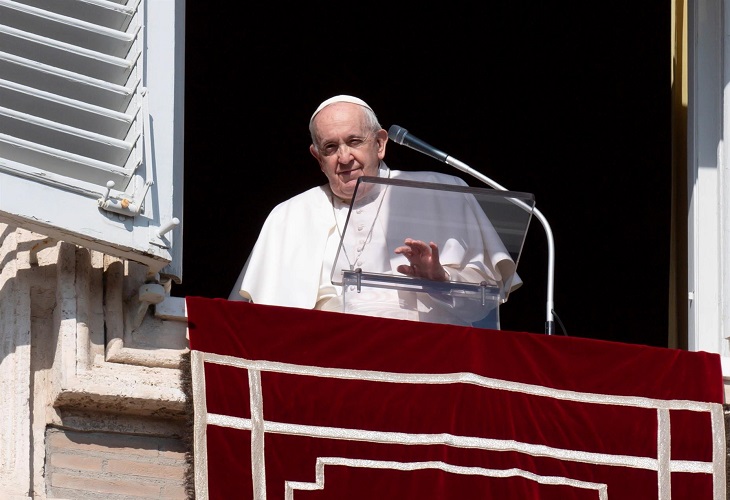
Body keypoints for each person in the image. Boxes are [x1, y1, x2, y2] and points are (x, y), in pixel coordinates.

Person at [229, 95, 521, 326]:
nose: (344, 157)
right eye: (330, 147)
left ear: (380, 144)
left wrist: (440, 280)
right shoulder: (289, 215)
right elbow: (253, 321)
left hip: (429, 359)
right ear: (318, 157)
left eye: (354, 141)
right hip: (325, 365)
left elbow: (483, 305)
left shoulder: (442, 191)